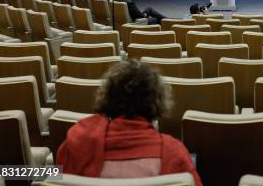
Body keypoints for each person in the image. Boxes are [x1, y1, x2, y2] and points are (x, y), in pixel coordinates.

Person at [57, 60, 203, 184]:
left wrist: (35, 172)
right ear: (157, 103)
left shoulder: (76, 143)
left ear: (108, 98)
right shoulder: (175, 154)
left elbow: (53, 177)